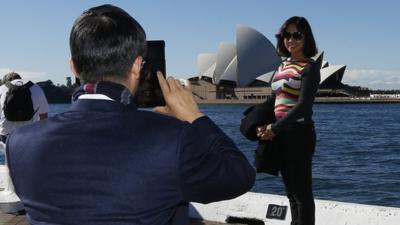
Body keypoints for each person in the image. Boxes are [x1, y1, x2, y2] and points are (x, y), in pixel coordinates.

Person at [6, 4, 255, 225]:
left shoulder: (20, 144)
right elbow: (240, 176)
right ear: (137, 66)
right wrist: (195, 118)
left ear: (73, 66)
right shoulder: (173, 138)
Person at [256, 16, 321, 225]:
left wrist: (274, 128)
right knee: (290, 192)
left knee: (302, 194)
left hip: (299, 133)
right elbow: (275, 99)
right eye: (286, 35)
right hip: (281, 132)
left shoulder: (309, 68)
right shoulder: (284, 66)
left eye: (296, 35)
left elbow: (303, 106)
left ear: (306, 38)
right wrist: (260, 123)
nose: (290, 40)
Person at [0, 72, 49, 143]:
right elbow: (44, 117)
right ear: (20, 79)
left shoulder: (2, 89)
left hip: (6, 136)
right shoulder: (36, 88)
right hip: (30, 134)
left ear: (8, 81)